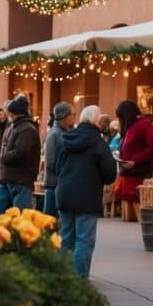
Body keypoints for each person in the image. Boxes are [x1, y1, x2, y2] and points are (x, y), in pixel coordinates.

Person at [56, 105, 117, 277]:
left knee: (66, 238)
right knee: (84, 240)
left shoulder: (67, 138)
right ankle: (79, 282)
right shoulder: (98, 142)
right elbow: (109, 171)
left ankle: (62, 278)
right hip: (87, 196)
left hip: (66, 193)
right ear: (96, 120)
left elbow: (58, 166)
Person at [0, 96, 40, 221]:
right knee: (0, 216)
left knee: (19, 219)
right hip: (11, 178)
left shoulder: (25, 128)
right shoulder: (15, 127)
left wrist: (2, 158)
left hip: (19, 179)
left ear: (13, 112)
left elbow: (20, 153)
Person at [113, 101, 153, 221]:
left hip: (139, 171)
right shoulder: (131, 126)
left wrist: (135, 160)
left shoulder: (144, 125)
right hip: (130, 170)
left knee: (139, 207)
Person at [43, 102, 75, 218]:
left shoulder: (64, 132)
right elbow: (50, 162)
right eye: (72, 114)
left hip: (61, 182)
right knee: (50, 222)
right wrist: (65, 172)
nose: (74, 117)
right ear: (65, 117)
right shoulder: (54, 134)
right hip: (54, 184)